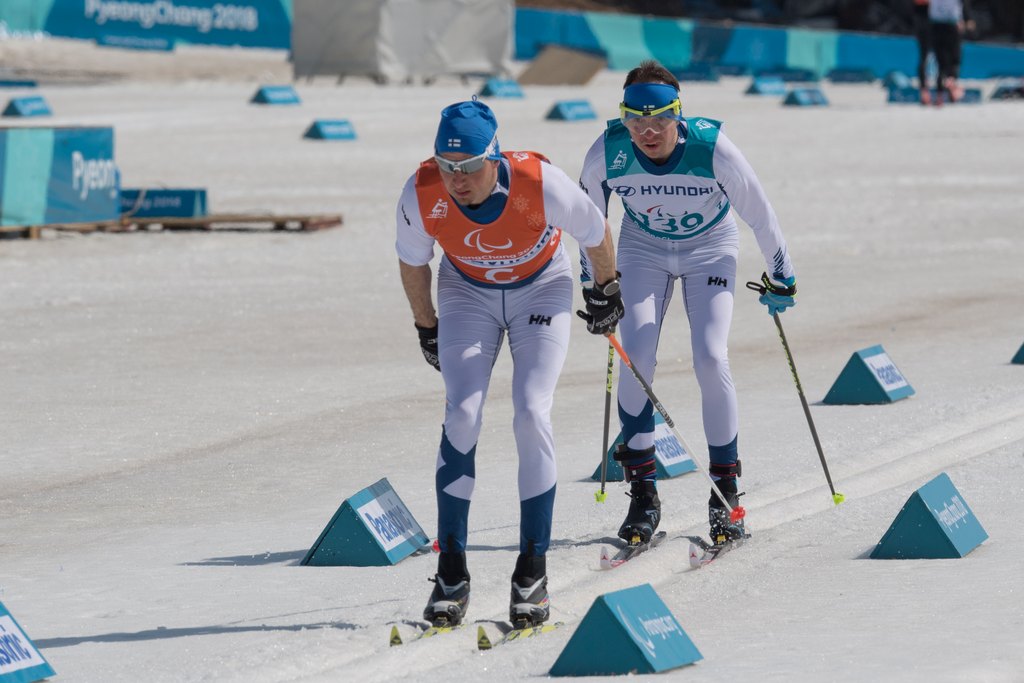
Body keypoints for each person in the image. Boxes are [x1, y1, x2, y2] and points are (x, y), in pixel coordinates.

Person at [395, 99, 622, 628]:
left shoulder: (538, 181)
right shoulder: (421, 190)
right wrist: (426, 326)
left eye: (470, 166)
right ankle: (451, 570)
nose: (458, 180)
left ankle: (531, 570)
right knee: (463, 413)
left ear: (494, 157)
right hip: (466, 294)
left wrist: (607, 291)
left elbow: (594, 232)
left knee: (530, 410)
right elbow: (412, 262)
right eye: (447, 166)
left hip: (540, 290)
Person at [578, 60, 797, 546]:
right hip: (643, 249)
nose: (648, 132)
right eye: (636, 120)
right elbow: (588, 225)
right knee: (635, 356)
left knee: (710, 355)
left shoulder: (712, 149)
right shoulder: (608, 152)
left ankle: (726, 491)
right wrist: (596, 286)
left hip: (710, 249)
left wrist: (783, 275)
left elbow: (761, 214)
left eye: (660, 120)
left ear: (680, 115)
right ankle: (643, 495)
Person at [929, 0, 974, 103]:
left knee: (941, 63)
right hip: (952, 24)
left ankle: (939, 95)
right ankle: (951, 82)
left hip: (936, 25)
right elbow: (964, 4)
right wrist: (968, 19)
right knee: (955, 59)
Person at [912, 0, 934, 104]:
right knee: (925, 55)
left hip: (933, 18)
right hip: (927, 19)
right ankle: (924, 90)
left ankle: (925, 89)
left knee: (927, 55)